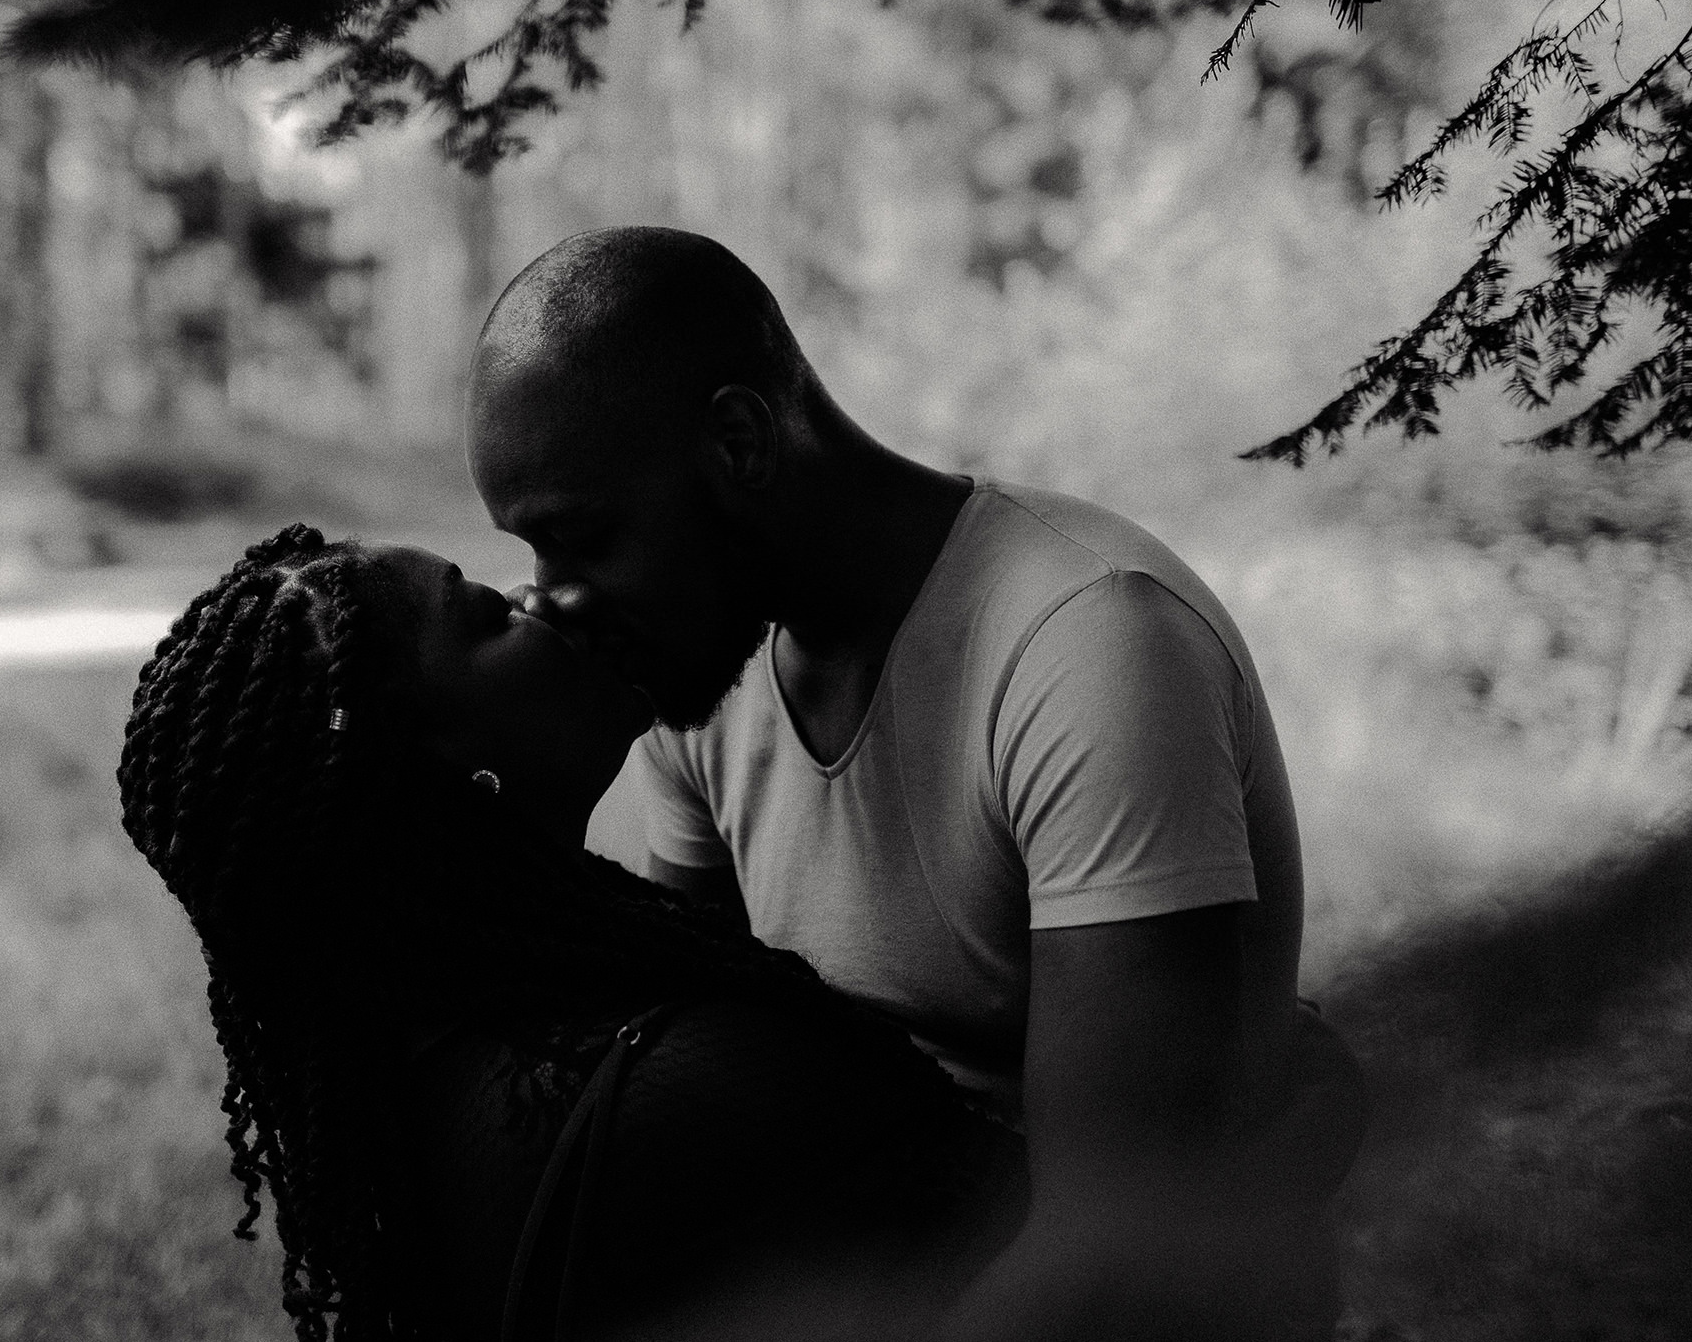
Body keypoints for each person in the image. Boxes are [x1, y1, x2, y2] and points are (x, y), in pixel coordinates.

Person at [468, 226, 1366, 1341]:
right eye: (532, 551)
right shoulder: (699, 668)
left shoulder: (1086, 642)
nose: (554, 596)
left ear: (739, 440)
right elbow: (686, 1079)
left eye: (583, 537)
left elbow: (1112, 1249)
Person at [116, 526, 1023, 1342]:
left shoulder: (417, 1091)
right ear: (447, 774)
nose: (536, 596)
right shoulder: (689, 1093)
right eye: (484, 616)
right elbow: (1093, 1243)